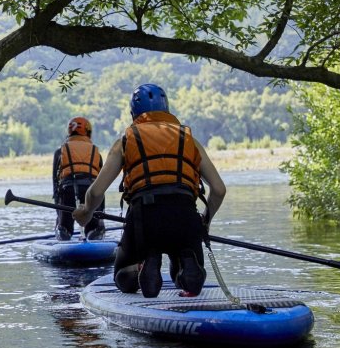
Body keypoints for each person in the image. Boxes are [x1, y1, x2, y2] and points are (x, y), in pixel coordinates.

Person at [73, 84, 226, 298]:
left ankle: (144, 265)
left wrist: (86, 212)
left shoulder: (125, 141)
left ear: (133, 114)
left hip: (145, 219)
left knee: (122, 277)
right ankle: (186, 264)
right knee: (183, 262)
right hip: (186, 217)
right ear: (167, 109)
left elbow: (96, 192)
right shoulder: (189, 139)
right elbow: (219, 189)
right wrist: (205, 222)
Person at [52, 116, 106, 241]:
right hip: (91, 191)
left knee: (64, 228)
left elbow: (55, 186)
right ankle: (96, 230)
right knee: (94, 228)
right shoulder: (96, 152)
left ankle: (63, 231)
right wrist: (101, 214)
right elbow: (102, 185)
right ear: (88, 132)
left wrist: (59, 216)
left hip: (68, 191)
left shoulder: (60, 151)